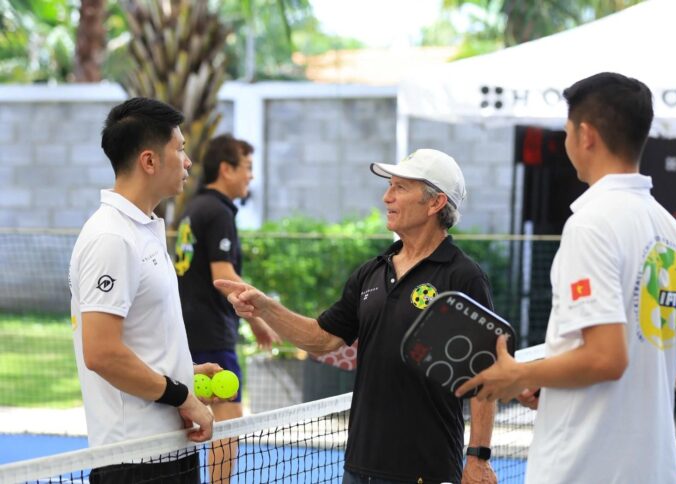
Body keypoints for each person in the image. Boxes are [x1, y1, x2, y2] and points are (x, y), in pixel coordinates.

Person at [456, 72, 676, 484]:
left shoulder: (591, 225)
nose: (566, 140)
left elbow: (607, 358)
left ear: (586, 135)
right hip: (653, 470)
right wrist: (556, 379)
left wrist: (521, 375)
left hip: (585, 467)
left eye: (567, 130)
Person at [216, 149, 498, 483]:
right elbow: (322, 339)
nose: (386, 197)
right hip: (359, 466)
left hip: (427, 468)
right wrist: (266, 308)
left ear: (435, 203)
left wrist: (478, 457)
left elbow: (486, 374)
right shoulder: (372, 272)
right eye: (389, 186)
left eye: (400, 188)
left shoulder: (463, 276)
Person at [69, 97, 215, 483]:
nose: (187, 161)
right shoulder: (111, 238)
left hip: (169, 452)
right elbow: (102, 352)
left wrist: (184, 372)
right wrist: (181, 395)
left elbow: (136, 341)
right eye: (179, 149)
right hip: (135, 461)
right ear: (149, 161)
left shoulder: (143, 229)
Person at [175, 134, 279, 482]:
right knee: (229, 422)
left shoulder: (193, 208)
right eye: (247, 167)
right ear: (226, 169)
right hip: (212, 335)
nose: (251, 175)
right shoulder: (218, 212)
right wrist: (260, 318)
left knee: (186, 421)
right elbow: (224, 277)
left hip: (186, 331)